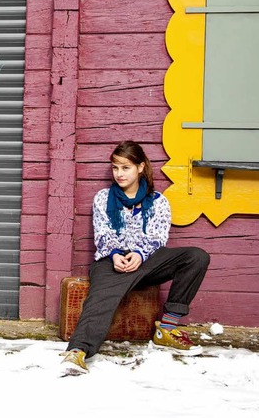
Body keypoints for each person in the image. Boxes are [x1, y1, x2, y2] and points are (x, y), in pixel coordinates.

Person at [60, 140, 210, 376]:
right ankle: (78, 350)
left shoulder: (158, 201)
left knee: (196, 257)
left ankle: (167, 329)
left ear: (140, 167)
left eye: (125, 167)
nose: (119, 174)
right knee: (101, 297)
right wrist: (116, 255)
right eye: (115, 168)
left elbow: (157, 237)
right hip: (112, 261)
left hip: (147, 261)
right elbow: (103, 233)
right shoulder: (103, 198)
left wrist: (140, 254)